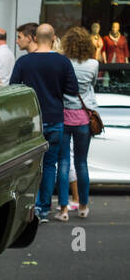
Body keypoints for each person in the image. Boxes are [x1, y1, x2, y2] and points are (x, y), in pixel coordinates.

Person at [10, 23, 78, 223]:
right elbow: (73, 90)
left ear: (35, 38)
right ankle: (43, 208)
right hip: (56, 119)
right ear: (54, 37)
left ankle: (30, 205)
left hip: (32, 120)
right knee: (50, 165)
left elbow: (13, 88)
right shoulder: (63, 62)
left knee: (32, 164)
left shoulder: (24, 62)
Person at [61, 26, 100, 220]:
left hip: (64, 115)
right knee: (82, 162)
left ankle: (64, 208)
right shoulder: (93, 64)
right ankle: (83, 206)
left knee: (64, 162)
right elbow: (91, 85)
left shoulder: (64, 62)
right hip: (84, 118)